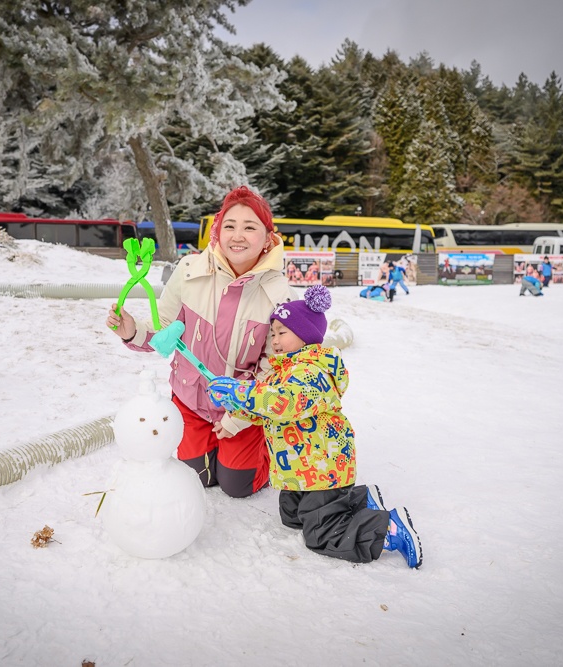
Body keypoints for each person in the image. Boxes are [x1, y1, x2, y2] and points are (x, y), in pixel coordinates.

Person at [206, 286, 422, 568]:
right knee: (292, 515)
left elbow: (286, 402)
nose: (275, 340)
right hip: (303, 468)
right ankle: (360, 499)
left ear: (305, 333)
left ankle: (388, 529)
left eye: (282, 332)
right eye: (273, 334)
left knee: (321, 533)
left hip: (323, 466)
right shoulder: (282, 372)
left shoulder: (312, 371)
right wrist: (235, 406)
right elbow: (268, 410)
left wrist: (242, 391)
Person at [106, 185, 296, 498]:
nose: (237, 236)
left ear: (267, 238)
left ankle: (265, 446)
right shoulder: (189, 271)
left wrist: (239, 417)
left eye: (250, 228)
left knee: (237, 486)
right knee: (198, 477)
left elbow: (274, 368)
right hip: (191, 400)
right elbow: (163, 329)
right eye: (230, 226)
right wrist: (132, 331)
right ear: (218, 230)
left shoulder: (279, 294)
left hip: (241, 405)